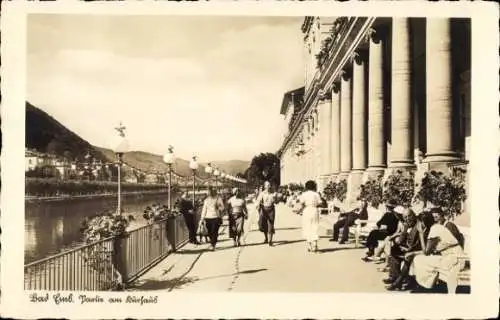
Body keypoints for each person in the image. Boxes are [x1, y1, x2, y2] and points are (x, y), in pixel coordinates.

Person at [409, 207, 464, 293]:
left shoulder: (435, 229)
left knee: (418, 259)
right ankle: (425, 284)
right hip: (450, 257)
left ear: (423, 222)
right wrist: (412, 253)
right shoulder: (434, 228)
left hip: (455, 259)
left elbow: (426, 252)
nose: (418, 225)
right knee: (419, 258)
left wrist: (420, 233)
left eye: (419, 223)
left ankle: (426, 285)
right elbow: (428, 250)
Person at [296, 180, 322, 253]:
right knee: (315, 227)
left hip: (307, 211)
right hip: (314, 210)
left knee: (307, 227)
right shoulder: (316, 194)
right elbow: (320, 203)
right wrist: (315, 204)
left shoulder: (304, 194)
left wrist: (299, 211)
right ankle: (315, 245)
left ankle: (309, 246)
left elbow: (302, 204)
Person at [255, 181, 278, 246]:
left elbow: (276, 202)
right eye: (267, 185)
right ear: (265, 186)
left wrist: (275, 198)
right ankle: (266, 237)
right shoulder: (262, 193)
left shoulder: (273, 193)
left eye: (269, 185)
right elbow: (258, 201)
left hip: (271, 210)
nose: (268, 186)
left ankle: (270, 241)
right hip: (264, 210)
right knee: (263, 224)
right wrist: (257, 205)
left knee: (271, 225)